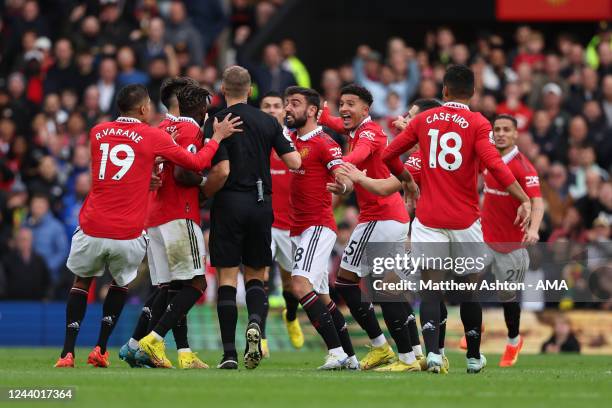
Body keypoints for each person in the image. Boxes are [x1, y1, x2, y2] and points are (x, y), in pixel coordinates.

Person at [54, 84, 241, 368]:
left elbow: (116, 170)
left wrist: (148, 176)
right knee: (168, 283)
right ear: (143, 109)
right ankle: (120, 345)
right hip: (136, 226)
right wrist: (215, 137)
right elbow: (194, 162)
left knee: (87, 283)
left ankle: (69, 353)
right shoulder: (153, 134)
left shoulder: (97, 132)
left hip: (96, 221)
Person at [382, 64, 532, 374]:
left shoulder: (423, 120)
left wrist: (408, 181)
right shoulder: (478, 123)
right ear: (473, 92)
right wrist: (522, 197)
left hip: (429, 219)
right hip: (465, 221)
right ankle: (474, 358)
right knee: (468, 290)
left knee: (431, 289)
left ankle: (434, 355)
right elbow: (495, 164)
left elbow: (388, 155)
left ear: (444, 90)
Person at [336, 98, 445, 372]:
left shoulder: (418, 157)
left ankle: (406, 356)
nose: (402, 120)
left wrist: (355, 175)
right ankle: (424, 354)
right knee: (400, 289)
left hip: (413, 225)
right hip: (420, 225)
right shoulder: (430, 154)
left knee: (388, 288)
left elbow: (386, 187)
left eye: (410, 118)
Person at [203, 66, 301, 370]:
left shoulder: (215, 120)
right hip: (261, 203)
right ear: (251, 90)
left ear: (222, 87)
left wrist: (204, 194)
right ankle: (256, 323)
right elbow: (295, 161)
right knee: (257, 274)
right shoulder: (267, 121)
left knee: (228, 279)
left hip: (229, 202)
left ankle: (229, 353)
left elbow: (220, 171)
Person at [319, 85, 420, 372]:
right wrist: (324, 114)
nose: (344, 108)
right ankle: (413, 352)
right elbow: (336, 123)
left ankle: (384, 348)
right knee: (392, 288)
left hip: (380, 218)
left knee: (348, 283)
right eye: (342, 102)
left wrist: (334, 164)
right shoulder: (354, 129)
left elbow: (358, 155)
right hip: (389, 217)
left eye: (351, 103)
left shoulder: (369, 133)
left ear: (366, 109)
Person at [122, 83, 212, 370]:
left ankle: (168, 350)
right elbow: (187, 172)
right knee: (196, 283)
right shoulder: (189, 129)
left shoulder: (162, 128)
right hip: (179, 212)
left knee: (170, 288)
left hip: (155, 216)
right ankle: (152, 339)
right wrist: (207, 182)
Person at [283, 86, 357, 370]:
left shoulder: (325, 142)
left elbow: (342, 174)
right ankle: (350, 357)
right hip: (296, 228)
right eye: (287, 103)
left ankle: (335, 351)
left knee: (299, 285)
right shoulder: (287, 140)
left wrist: (343, 184)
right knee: (322, 297)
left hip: (318, 225)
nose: (289, 108)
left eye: (296, 103)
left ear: (312, 111)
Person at [476, 114, 544, 368]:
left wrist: (534, 229)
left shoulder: (523, 168)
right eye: (497, 129)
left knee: (507, 297)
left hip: (511, 244)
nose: (501, 133)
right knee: (467, 281)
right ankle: (475, 327)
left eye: (506, 130)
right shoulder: (488, 158)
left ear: (516, 134)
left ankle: (514, 341)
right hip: (484, 238)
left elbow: (537, 202)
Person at [259, 91, 304, 357]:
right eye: (267, 106)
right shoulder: (253, 140)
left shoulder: (295, 140)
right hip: (263, 221)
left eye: (277, 106)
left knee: (291, 285)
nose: (273, 110)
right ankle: (260, 336)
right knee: (259, 278)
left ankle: (291, 316)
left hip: (291, 224)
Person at [1, 227, 51, 300]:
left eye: (27, 240)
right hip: (12, 304)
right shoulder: (7, 261)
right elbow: (3, 284)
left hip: (36, 304)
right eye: (21, 240)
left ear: (32, 241)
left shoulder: (40, 260)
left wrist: (46, 297)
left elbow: (47, 282)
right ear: (16, 242)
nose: (24, 243)